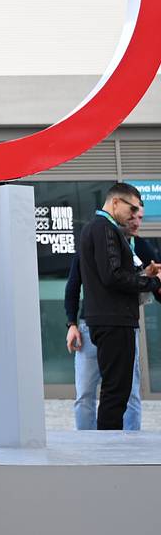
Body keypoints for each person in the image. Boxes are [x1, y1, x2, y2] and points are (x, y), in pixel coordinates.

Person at [76, 183, 161, 430]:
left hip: (108, 319)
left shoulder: (97, 229)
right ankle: (108, 452)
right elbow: (112, 276)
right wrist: (151, 281)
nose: (134, 215)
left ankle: (107, 448)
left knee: (117, 391)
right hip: (114, 320)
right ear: (115, 203)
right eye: (131, 208)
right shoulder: (105, 229)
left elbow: (112, 273)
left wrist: (143, 274)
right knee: (116, 392)